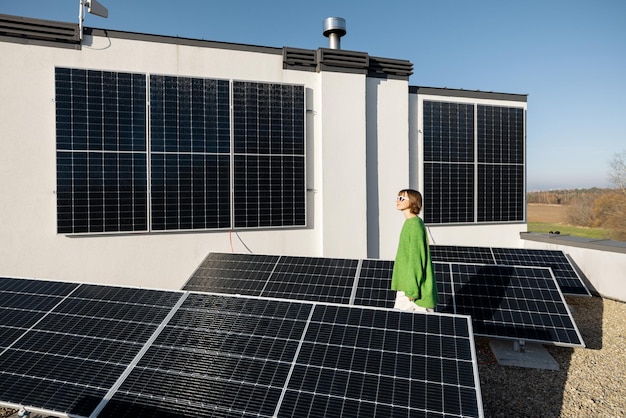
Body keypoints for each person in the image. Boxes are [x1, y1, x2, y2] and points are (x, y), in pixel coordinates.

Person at [391, 189, 438, 312]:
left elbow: (416, 258)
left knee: (425, 328)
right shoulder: (409, 223)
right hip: (406, 286)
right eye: (397, 197)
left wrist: (412, 288)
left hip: (415, 290)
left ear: (412, 202)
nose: (397, 200)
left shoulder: (415, 225)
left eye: (402, 198)